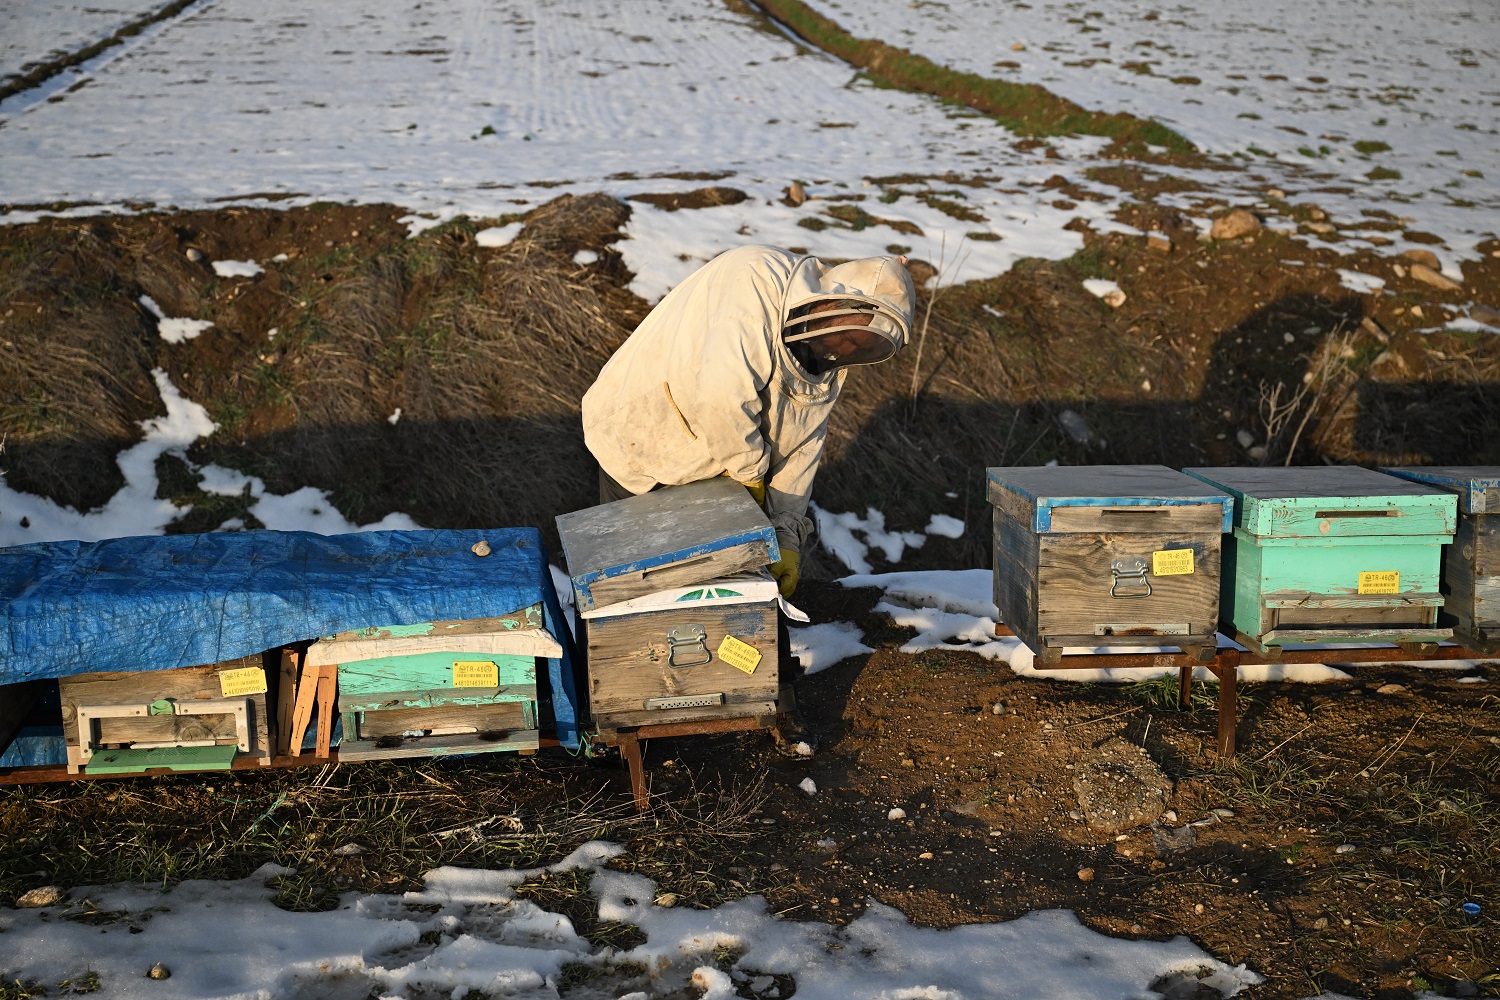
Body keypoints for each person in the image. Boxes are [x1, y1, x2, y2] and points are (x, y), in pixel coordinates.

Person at [582, 244, 917, 598]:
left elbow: (802, 446)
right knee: (630, 586)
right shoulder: (755, 278)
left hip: (720, 469)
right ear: (834, 302)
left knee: (704, 599)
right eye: (847, 338)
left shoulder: (828, 362)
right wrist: (751, 475)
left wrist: (786, 534)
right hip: (644, 434)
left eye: (860, 349)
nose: (843, 352)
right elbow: (721, 396)